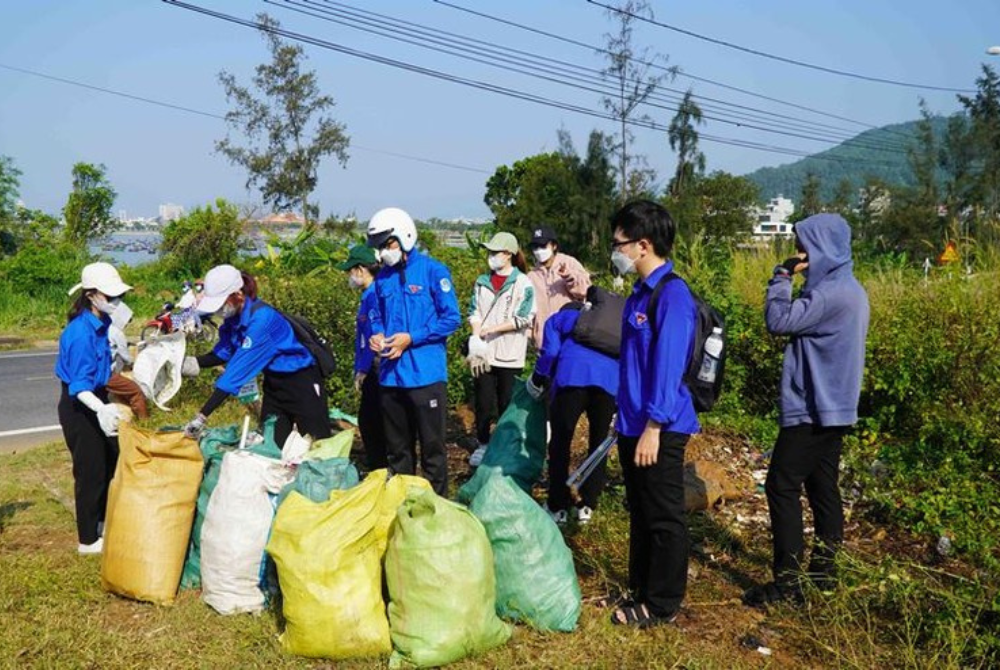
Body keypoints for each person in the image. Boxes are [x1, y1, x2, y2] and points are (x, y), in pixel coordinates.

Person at [744, 213, 869, 606]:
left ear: (825, 248)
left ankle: (788, 585)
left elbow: (778, 320)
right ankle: (823, 574)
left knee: (781, 485)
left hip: (814, 409)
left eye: (805, 246)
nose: (800, 254)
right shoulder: (850, 289)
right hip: (835, 409)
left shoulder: (829, 295)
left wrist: (781, 276)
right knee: (822, 489)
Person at [608, 200, 699, 628]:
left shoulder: (673, 294)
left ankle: (661, 604)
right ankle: (641, 590)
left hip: (659, 425)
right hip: (633, 421)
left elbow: (668, 365)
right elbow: (632, 364)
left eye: (619, 243)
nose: (615, 251)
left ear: (642, 245)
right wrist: (623, 416)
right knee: (641, 509)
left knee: (663, 514)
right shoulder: (638, 294)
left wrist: (654, 426)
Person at [180, 264, 332, 447]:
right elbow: (223, 353)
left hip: (302, 383)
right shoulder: (234, 319)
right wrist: (187, 363)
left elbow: (235, 373)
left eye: (221, 304)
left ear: (237, 295)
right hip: (274, 385)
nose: (219, 311)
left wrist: (202, 417)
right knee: (272, 446)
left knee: (317, 445)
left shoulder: (262, 321)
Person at [366, 207, 460, 495]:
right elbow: (376, 316)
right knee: (398, 450)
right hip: (391, 378)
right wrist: (376, 335)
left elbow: (451, 318)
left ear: (405, 237)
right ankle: (403, 504)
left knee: (432, 449)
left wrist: (412, 338)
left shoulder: (433, 271)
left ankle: (437, 508)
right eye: (380, 248)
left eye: (388, 245)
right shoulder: (382, 279)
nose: (383, 253)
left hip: (426, 376)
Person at [55, 262, 133, 554]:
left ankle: (102, 522)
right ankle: (87, 539)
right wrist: (101, 409)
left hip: (98, 397)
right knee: (90, 471)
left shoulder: (103, 324)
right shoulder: (80, 334)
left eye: (118, 296)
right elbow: (78, 386)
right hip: (80, 406)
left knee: (111, 461)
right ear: (92, 295)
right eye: (111, 297)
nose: (116, 302)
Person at [527, 285, 619, 526]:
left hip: (572, 379)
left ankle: (558, 506)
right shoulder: (610, 329)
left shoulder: (559, 319)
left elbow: (551, 353)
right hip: (610, 384)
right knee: (599, 444)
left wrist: (537, 379)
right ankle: (587, 506)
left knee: (561, 443)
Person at [466, 232, 535, 467]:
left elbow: (524, 318)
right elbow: (473, 310)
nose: (491, 256)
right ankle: (483, 443)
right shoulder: (481, 282)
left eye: (495, 252)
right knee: (483, 401)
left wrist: (493, 329)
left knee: (506, 402)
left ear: (509, 255)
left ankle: (506, 445)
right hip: (484, 352)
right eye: (490, 252)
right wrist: (476, 335)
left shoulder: (523, 283)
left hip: (509, 354)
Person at [336, 244, 387, 470]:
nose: (349, 276)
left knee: (372, 421)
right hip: (370, 365)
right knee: (369, 420)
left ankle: (380, 467)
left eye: (350, 271)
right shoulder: (368, 295)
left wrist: (364, 369)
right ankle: (377, 465)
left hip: (378, 365)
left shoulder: (375, 295)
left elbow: (374, 339)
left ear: (360, 270)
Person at [526, 225, 590, 348]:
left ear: (554, 245)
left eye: (543, 246)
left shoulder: (570, 263)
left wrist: (568, 276)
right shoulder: (531, 276)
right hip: (544, 341)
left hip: (570, 337)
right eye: (535, 247)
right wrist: (530, 335)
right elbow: (529, 310)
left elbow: (585, 291)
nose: (539, 251)